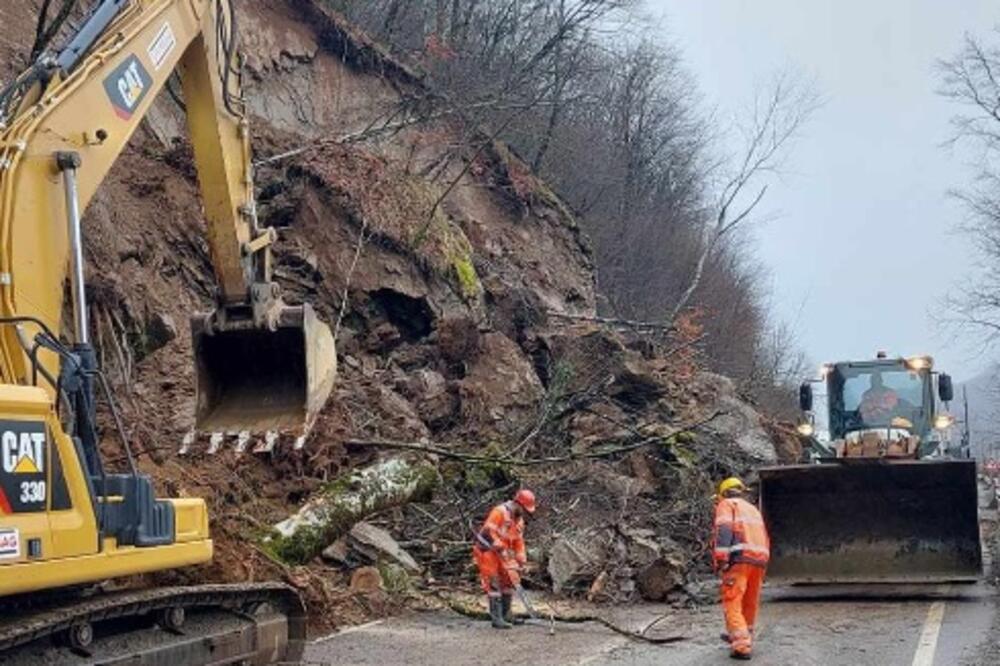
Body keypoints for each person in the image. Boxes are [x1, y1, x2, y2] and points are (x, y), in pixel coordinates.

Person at [713, 477, 770, 660]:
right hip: (759, 560)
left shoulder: (727, 505)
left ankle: (741, 645)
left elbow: (725, 531)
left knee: (733, 599)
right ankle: (744, 635)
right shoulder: (752, 509)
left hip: (739, 559)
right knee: (749, 601)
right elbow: (765, 536)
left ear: (723, 494)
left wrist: (722, 558)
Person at [472, 489, 537, 629]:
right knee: (494, 582)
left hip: (502, 553)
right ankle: (497, 618)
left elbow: (519, 542)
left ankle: (507, 614)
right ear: (517, 503)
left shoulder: (519, 522)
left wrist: (521, 558)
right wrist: (501, 547)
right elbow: (489, 532)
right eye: (524, 509)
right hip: (487, 551)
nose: (525, 513)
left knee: (508, 581)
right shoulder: (499, 512)